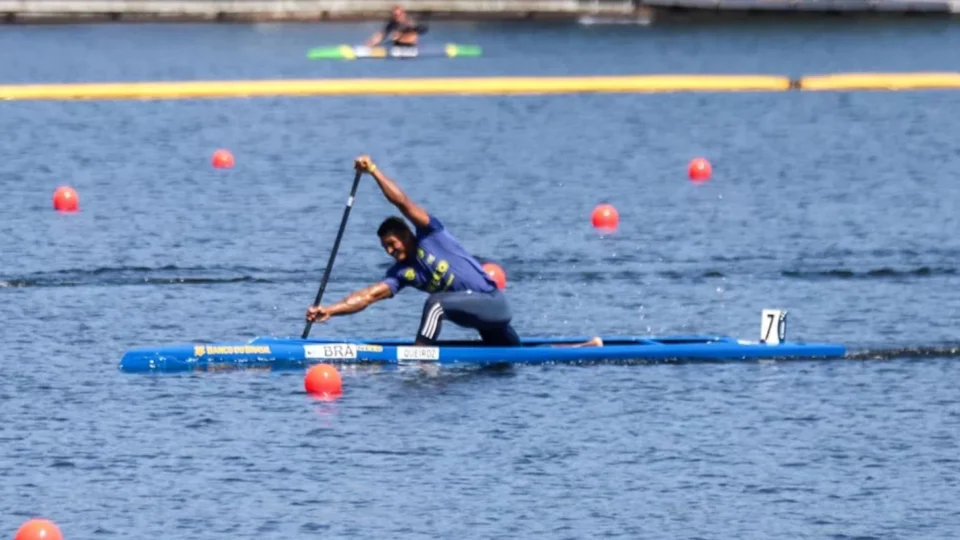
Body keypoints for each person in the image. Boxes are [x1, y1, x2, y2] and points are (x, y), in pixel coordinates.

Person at [305, 156, 603, 349]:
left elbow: (403, 204)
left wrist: (373, 172)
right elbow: (368, 296)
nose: (391, 250)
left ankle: (420, 355)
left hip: (492, 302)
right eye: (386, 248)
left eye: (393, 243)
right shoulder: (401, 273)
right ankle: (588, 347)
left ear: (407, 234)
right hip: (479, 317)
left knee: (436, 303)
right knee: (515, 354)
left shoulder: (430, 235)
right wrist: (329, 310)